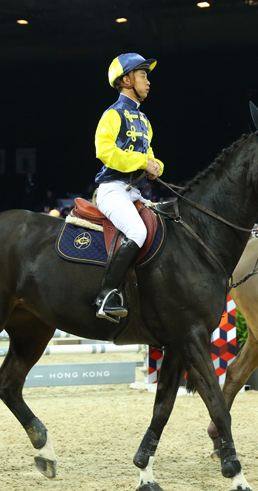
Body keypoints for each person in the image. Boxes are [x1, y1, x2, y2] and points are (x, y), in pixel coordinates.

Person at [92, 53, 164, 322]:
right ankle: (105, 295)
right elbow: (104, 151)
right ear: (126, 80)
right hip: (112, 189)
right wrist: (142, 161)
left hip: (135, 192)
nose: (148, 81)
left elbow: (151, 154)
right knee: (137, 230)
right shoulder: (112, 114)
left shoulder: (144, 121)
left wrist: (156, 166)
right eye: (143, 75)